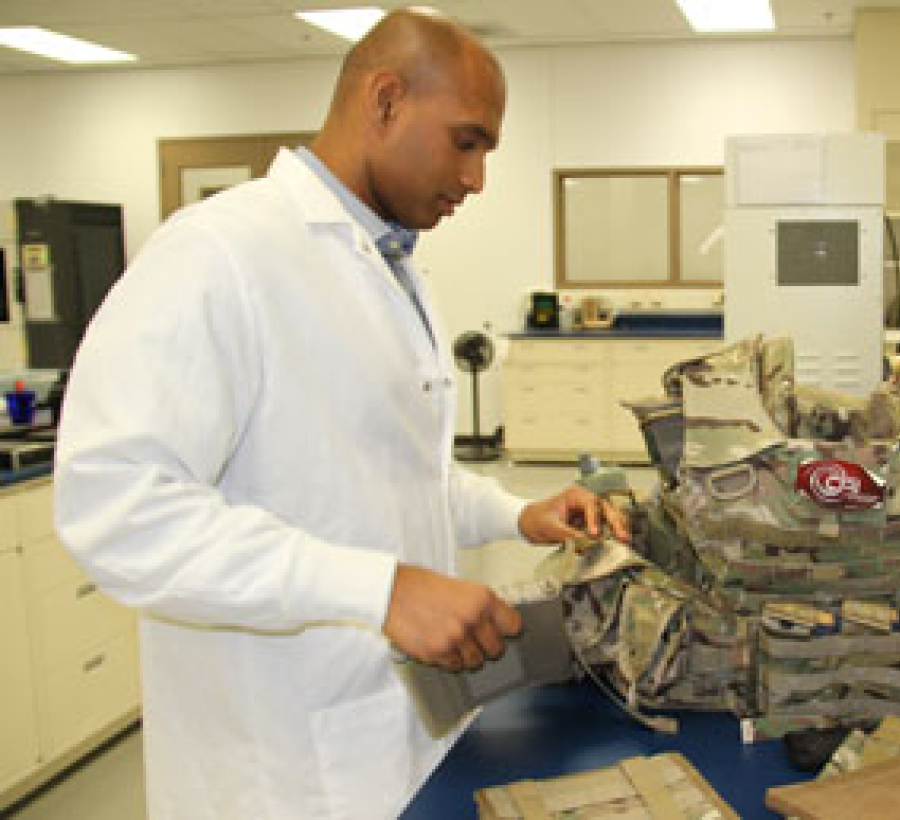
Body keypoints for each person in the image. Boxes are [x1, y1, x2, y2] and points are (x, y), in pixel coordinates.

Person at [53, 9, 627, 819]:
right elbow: (116, 509)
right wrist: (379, 588)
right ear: (385, 100)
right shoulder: (217, 255)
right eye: (467, 142)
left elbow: (390, 469)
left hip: (405, 736)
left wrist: (516, 513)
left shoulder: (393, 269)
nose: (476, 179)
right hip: (280, 765)